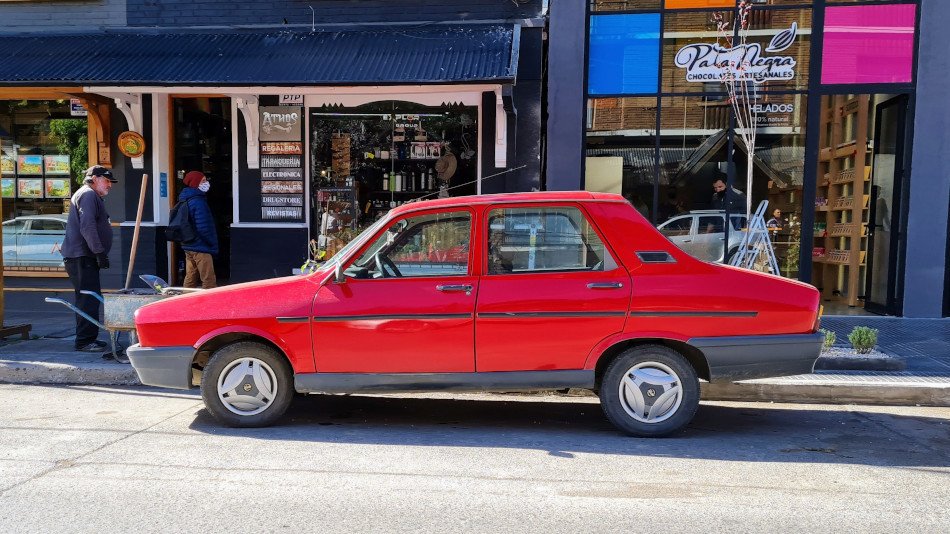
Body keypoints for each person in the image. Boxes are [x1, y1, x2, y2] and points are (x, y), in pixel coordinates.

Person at [61, 165, 117, 352]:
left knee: (89, 297)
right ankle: (85, 341)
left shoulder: (90, 195)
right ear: (95, 179)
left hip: (83, 256)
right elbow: (87, 226)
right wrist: (99, 252)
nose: (109, 185)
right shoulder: (88, 195)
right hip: (82, 256)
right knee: (88, 298)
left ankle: (87, 338)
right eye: (107, 180)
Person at [179, 170, 218, 289]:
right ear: (196, 183)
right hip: (201, 245)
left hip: (188, 244)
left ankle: (186, 298)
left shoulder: (184, 199)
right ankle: (210, 300)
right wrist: (211, 242)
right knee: (208, 279)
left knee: (190, 277)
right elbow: (203, 226)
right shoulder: (199, 202)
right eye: (203, 181)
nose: (206, 183)